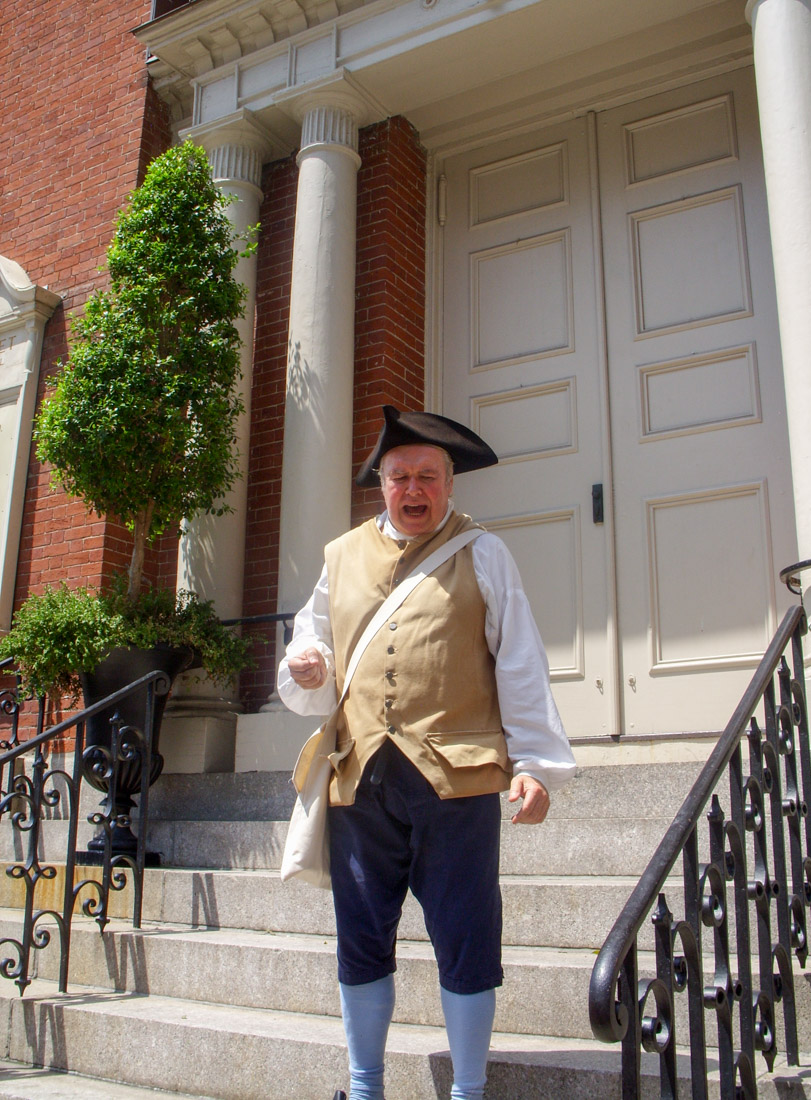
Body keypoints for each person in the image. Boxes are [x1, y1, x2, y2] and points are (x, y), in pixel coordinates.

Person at [278, 405, 576, 1100]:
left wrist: (534, 765)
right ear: (380, 484)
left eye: (428, 477)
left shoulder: (484, 552)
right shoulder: (339, 557)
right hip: (360, 779)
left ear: (450, 484)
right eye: (400, 476)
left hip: (459, 778)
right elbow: (308, 642)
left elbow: (520, 663)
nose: (414, 490)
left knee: (466, 935)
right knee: (360, 936)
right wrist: (306, 668)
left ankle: (468, 1089)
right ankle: (363, 1085)